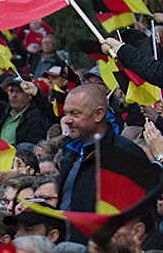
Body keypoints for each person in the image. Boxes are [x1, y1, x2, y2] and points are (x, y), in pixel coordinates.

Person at [59, 84, 148, 241]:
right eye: (66, 113)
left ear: (99, 114)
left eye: (75, 113)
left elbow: (137, 214)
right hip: (69, 252)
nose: (67, 120)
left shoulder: (125, 155)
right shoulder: (70, 152)